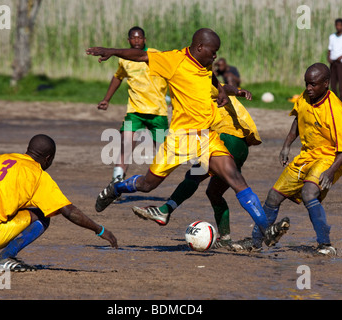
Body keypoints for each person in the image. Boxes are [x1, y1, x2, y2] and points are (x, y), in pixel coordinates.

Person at [87, 28, 290, 247]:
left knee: (235, 179)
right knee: (147, 185)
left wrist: (223, 91)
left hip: (206, 137)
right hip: (179, 139)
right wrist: (111, 51)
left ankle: (266, 230)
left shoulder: (205, 64)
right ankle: (116, 188)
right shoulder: (174, 60)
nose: (215, 56)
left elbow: (210, 78)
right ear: (200, 47)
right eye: (213, 52)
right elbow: (142, 56)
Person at [0, 134, 118, 271]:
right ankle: (3, 259)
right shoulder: (36, 175)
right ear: (48, 158)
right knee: (43, 216)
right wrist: (99, 229)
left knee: (1, 209)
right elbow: (68, 210)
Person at [236, 63, 342, 256]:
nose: (308, 88)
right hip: (306, 156)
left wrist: (330, 172)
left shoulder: (336, 110)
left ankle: (326, 245)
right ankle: (255, 241)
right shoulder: (306, 97)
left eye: (313, 84)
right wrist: (286, 145)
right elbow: (298, 120)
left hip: (329, 158)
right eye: (307, 83)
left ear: (326, 83)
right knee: (273, 196)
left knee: (309, 193)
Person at [132, 83, 266, 250]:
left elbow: (222, 90)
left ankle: (165, 210)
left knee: (193, 176)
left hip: (225, 138)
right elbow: (227, 89)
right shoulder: (204, 83)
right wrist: (239, 91)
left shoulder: (198, 84)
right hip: (240, 146)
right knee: (214, 192)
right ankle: (228, 238)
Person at [97, 26, 169, 183]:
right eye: (133, 38)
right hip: (135, 111)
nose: (136, 40)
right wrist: (106, 99)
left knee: (164, 153)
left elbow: (173, 77)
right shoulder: (124, 59)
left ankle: (151, 182)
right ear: (128, 40)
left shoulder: (156, 55)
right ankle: (115, 185)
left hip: (158, 112)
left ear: (145, 40)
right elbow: (118, 77)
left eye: (139, 38)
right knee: (125, 147)